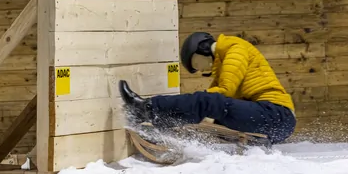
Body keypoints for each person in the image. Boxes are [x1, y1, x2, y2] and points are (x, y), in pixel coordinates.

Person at [119, 32, 296, 145]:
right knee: (206, 110)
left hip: (276, 115)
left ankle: (145, 107)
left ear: (202, 50)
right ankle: (162, 124)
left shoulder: (236, 49)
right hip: (272, 122)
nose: (202, 70)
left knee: (206, 101)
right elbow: (212, 104)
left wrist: (193, 105)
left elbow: (221, 93)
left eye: (197, 64)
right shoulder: (225, 64)